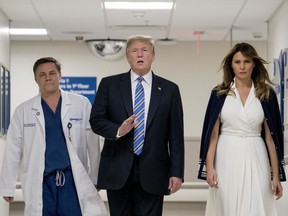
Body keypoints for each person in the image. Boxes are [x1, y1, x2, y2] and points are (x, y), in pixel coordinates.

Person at [89, 35, 185, 216]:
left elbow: (176, 135)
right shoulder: (109, 85)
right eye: (134, 50)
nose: (139, 54)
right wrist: (118, 130)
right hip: (118, 170)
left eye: (145, 50)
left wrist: (177, 172)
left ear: (153, 55)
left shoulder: (170, 89)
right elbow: (96, 120)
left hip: (155, 171)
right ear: (127, 57)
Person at [0, 57, 107, 216]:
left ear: (60, 75)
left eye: (52, 73)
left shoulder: (81, 104)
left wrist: (97, 177)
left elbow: (93, 144)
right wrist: (7, 185)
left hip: (72, 180)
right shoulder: (23, 110)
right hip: (41, 181)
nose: (48, 77)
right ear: (36, 79)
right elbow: (13, 150)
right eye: (42, 75)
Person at [198, 42, 286, 216]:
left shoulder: (266, 94)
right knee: (228, 205)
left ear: (254, 64)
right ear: (231, 65)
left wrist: (275, 176)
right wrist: (210, 168)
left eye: (247, 61)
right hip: (226, 156)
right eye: (237, 62)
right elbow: (213, 136)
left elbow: (271, 138)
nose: (242, 66)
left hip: (256, 153)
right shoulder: (219, 94)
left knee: (256, 202)